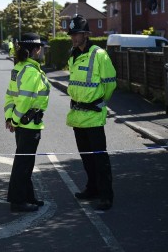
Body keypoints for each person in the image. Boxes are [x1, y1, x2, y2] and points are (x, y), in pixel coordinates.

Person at [66, 14, 117, 211]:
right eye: (71, 34)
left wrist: (100, 102)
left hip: (94, 114)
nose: (73, 37)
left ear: (86, 34)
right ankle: (92, 188)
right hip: (78, 114)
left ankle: (106, 195)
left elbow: (110, 83)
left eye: (76, 34)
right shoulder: (73, 55)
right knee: (86, 157)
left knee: (99, 158)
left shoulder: (99, 54)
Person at [4, 33, 50, 213]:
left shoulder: (19, 68)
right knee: (23, 165)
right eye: (40, 48)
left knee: (26, 162)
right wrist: (15, 120)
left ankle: (28, 196)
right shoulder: (31, 71)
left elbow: (10, 95)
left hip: (22, 124)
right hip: (29, 124)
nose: (41, 51)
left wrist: (9, 118)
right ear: (36, 49)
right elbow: (23, 101)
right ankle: (18, 202)